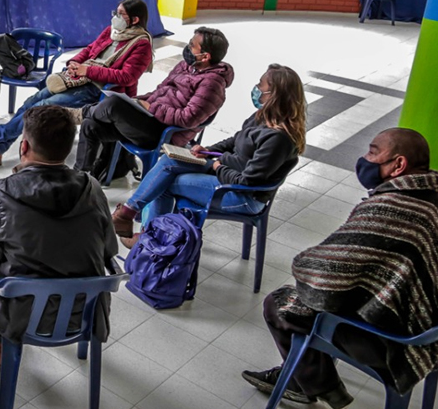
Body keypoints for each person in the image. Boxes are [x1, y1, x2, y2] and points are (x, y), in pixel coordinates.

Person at [241, 128, 438, 409]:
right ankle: (300, 379)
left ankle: (322, 387)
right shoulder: (431, 197)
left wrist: (305, 264)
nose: (364, 158)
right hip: (429, 330)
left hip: (397, 343)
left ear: (399, 165)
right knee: (334, 294)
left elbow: (322, 275)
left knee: (282, 303)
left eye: (372, 151)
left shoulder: (390, 207)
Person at [0, 105, 118, 370]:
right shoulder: (92, 188)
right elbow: (109, 249)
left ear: (23, 147)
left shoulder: (2, 194)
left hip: (19, 318)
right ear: (67, 149)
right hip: (85, 313)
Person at [112, 64, 306, 247]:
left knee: (164, 183)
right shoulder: (264, 116)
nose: (255, 89)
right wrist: (206, 149)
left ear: (274, 95)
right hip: (228, 172)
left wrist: (217, 166)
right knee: (170, 161)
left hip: (241, 195)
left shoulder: (279, 139)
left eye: (260, 86)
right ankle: (134, 220)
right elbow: (235, 140)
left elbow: (247, 181)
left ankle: (148, 239)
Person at [0, 0, 155, 166]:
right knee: (33, 101)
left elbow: (126, 77)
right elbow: (90, 49)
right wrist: (75, 62)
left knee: (41, 107)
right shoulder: (111, 31)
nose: (115, 17)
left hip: (100, 90)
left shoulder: (141, 44)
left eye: (121, 14)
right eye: (116, 12)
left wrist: (88, 70)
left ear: (135, 19)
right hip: (80, 78)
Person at [73, 26, 234, 176]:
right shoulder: (185, 66)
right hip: (149, 119)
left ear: (205, 56)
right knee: (90, 125)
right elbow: (160, 91)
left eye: (192, 45)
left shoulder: (212, 84)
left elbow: (188, 118)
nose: (188, 47)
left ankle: (77, 114)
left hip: (164, 132)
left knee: (113, 105)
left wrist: (152, 107)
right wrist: (136, 101)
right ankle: (81, 177)